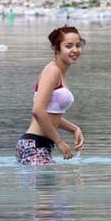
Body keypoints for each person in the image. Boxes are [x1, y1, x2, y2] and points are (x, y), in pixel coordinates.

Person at [16, 26, 85, 165]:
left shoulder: (59, 73)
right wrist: (59, 142)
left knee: (50, 186)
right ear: (56, 48)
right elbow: (38, 111)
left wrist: (74, 129)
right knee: (49, 186)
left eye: (78, 45)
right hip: (33, 145)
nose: (75, 50)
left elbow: (51, 114)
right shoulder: (52, 71)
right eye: (68, 46)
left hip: (40, 144)